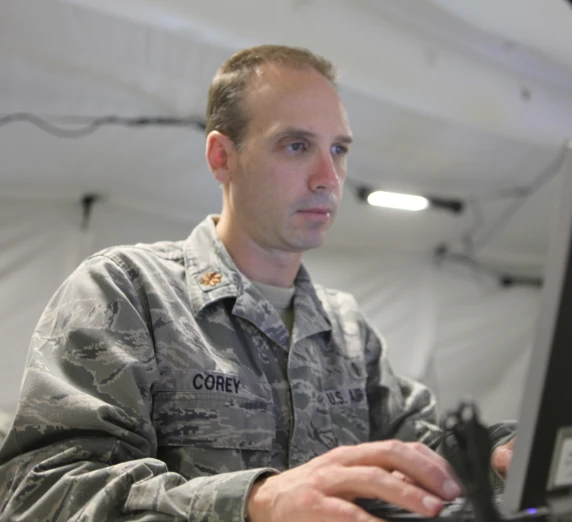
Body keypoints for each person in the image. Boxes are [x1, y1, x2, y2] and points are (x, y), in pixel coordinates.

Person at [0, 45, 515, 521]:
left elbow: (420, 446)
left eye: (338, 149)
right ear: (223, 157)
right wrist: (257, 502)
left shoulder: (346, 332)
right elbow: (42, 493)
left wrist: (500, 453)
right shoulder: (127, 292)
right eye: (296, 146)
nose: (329, 178)